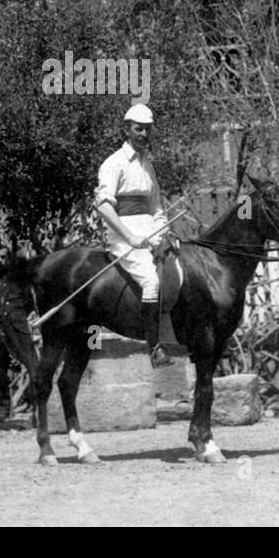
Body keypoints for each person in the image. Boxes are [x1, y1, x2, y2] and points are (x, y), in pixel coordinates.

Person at [95, 103, 173, 368]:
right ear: (127, 129)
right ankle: (155, 349)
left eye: (148, 130)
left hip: (149, 231)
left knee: (180, 266)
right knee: (151, 281)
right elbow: (104, 206)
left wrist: (161, 230)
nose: (144, 134)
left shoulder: (147, 165)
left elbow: (157, 205)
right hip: (124, 235)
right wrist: (129, 237)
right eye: (139, 129)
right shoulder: (113, 164)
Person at [0, 245, 35, 422]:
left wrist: (18, 318)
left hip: (18, 329)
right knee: (1, 372)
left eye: (3, 257)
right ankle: (3, 409)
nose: (0, 261)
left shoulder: (19, 278)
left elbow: (29, 303)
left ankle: (36, 407)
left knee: (33, 365)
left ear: (8, 258)